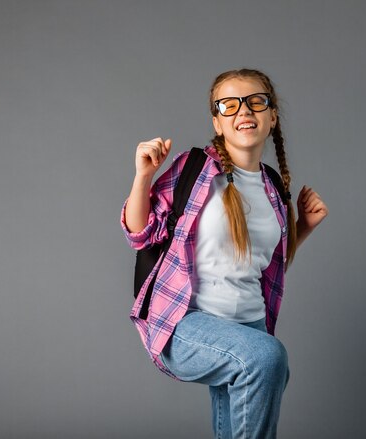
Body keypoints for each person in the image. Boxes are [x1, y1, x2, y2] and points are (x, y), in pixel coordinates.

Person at [121, 68, 328, 438]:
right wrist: (143, 177)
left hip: (248, 324)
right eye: (229, 105)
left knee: (249, 391)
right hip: (185, 322)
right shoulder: (196, 168)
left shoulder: (273, 187)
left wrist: (302, 229)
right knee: (266, 359)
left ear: (272, 116)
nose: (243, 112)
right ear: (217, 121)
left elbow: (261, 263)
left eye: (255, 102)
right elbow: (140, 233)